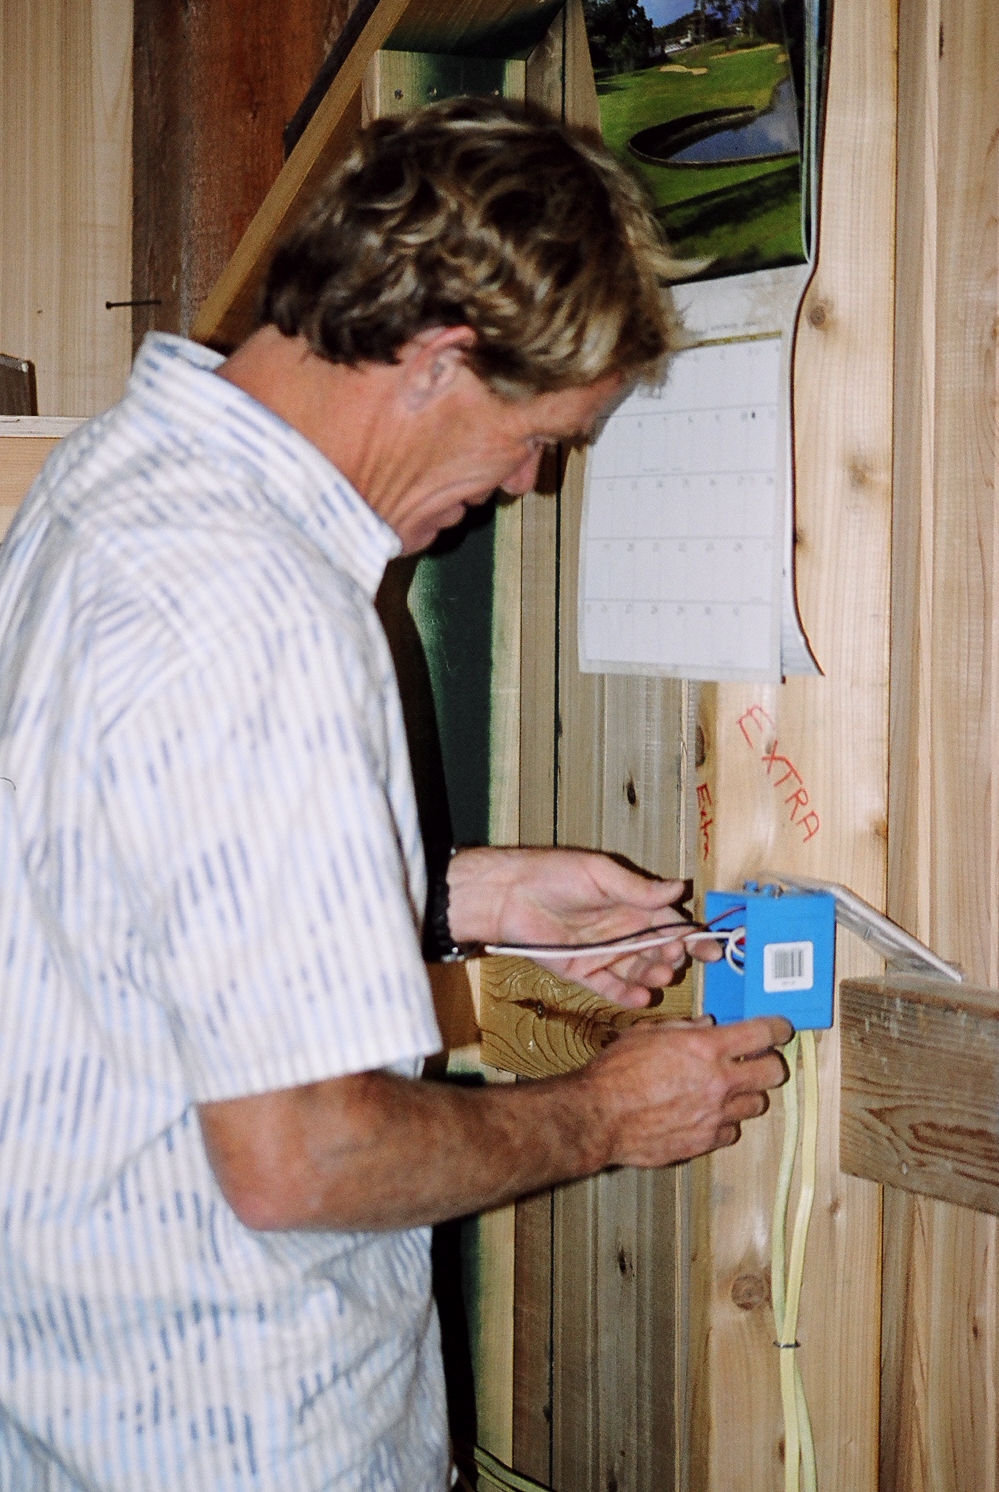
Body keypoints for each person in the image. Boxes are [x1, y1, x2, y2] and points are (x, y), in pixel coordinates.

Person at [0, 97, 790, 1491]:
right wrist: (608, 1115)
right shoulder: (267, 600)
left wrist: (462, 892)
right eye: (542, 434)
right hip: (228, 1434)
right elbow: (303, 1157)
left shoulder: (107, 489)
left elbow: (122, 878)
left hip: (81, 1406)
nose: (531, 483)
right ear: (441, 359)